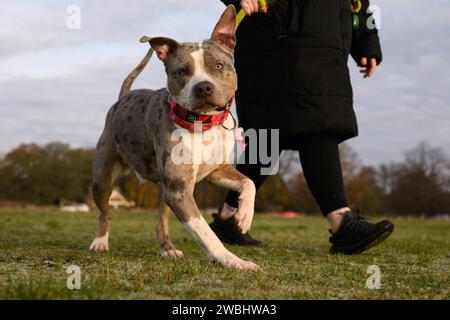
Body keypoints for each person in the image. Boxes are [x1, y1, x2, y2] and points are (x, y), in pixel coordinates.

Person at [210, 0, 394, 254]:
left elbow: (362, 4)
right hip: (274, 32)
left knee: (271, 139)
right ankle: (341, 222)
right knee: (308, 122)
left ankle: (227, 218)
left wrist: (367, 40)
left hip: (326, 34)